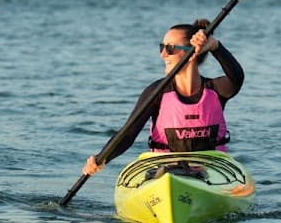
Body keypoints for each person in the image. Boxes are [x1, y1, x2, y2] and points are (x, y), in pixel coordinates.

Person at [81, 19, 244, 175]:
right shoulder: (156, 92)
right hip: (164, 172)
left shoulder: (216, 90)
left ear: (192, 53)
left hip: (212, 171)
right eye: (162, 47)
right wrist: (102, 158)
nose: (163, 54)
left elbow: (237, 77)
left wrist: (215, 46)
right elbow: (128, 134)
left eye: (171, 48)